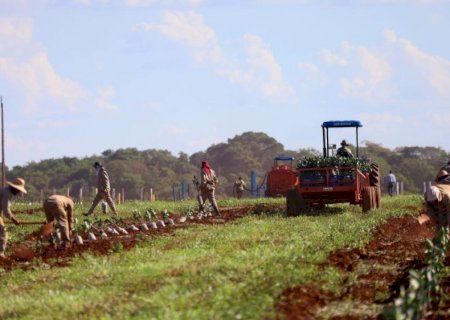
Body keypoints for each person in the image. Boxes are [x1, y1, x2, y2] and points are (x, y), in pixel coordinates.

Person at [0, 178, 26, 259]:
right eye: (18, 190)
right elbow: (6, 210)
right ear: (14, 188)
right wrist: (14, 219)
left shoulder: (4, 190)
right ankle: (0, 253)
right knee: (3, 232)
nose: (18, 192)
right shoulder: (7, 193)